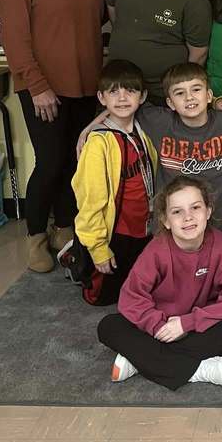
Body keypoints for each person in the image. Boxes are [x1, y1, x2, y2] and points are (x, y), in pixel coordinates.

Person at [0, 0, 105, 273]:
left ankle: (65, 228)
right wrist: (38, 86)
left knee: (76, 162)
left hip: (87, 82)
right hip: (43, 87)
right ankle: (35, 238)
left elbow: (97, 19)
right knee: (50, 160)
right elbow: (14, 36)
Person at [97, 176, 222, 390]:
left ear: (208, 211)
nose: (188, 217)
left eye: (195, 207)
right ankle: (199, 370)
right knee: (109, 326)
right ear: (166, 221)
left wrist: (187, 323)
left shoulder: (221, 244)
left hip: (197, 324)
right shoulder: (156, 250)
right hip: (159, 326)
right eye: (177, 211)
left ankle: (140, 359)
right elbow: (131, 298)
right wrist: (159, 325)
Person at [80, 63, 222, 243]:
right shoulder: (159, 121)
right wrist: (92, 126)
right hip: (173, 226)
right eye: (179, 93)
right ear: (170, 102)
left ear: (208, 95)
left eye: (196, 89)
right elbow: (125, 104)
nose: (189, 97)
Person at [68, 59, 157, 306]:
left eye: (130, 90)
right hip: (114, 232)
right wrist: (98, 248)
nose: (122, 97)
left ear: (143, 96)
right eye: (113, 91)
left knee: (142, 292)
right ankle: (77, 255)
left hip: (145, 228)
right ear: (101, 97)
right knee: (102, 297)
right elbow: (90, 201)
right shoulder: (98, 143)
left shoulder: (145, 131)